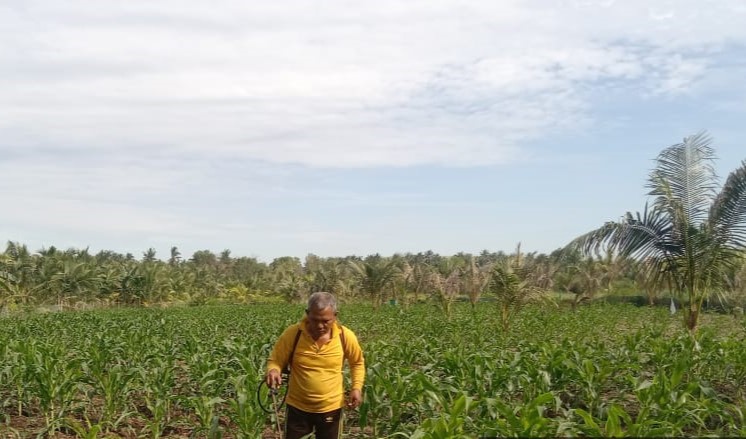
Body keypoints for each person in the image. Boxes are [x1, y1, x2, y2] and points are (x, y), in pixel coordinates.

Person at [265, 291, 365, 439]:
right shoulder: (293, 334)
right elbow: (275, 360)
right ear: (307, 313)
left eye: (326, 321)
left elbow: (357, 363)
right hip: (297, 407)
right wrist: (273, 370)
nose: (319, 326)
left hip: (331, 407)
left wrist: (356, 388)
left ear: (335, 316)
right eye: (315, 319)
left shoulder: (345, 336)